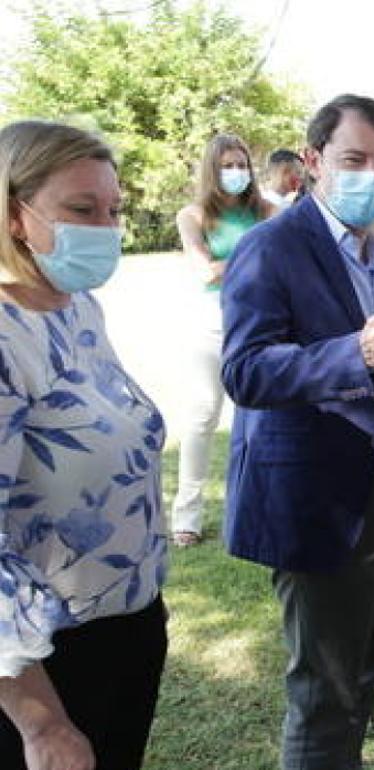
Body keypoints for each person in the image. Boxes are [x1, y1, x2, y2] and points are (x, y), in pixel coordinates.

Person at [220, 94, 374, 770]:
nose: (371, 178)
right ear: (314, 160)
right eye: (354, 160)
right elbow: (246, 371)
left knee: (364, 670)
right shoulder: (271, 247)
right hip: (319, 500)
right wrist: (351, 352)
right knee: (324, 691)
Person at [0, 120, 169, 770]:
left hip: (128, 626)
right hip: (44, 664)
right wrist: (40, 723)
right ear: (17, 214)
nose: (106, 226)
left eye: (114, 210)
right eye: (81, 209)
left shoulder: (77, 307)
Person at [170, 133, 274, 547]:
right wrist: (256, 257)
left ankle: (257, 503)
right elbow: (205, 271)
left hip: (260, 320)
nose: (236, 172)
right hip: (212, 322)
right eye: (227, 165)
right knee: (202, 416)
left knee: (259, 416)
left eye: (241, 164)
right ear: (212, 170)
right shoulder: (193, 215)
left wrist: (232, 263)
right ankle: (187, 516)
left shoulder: (266, 209)